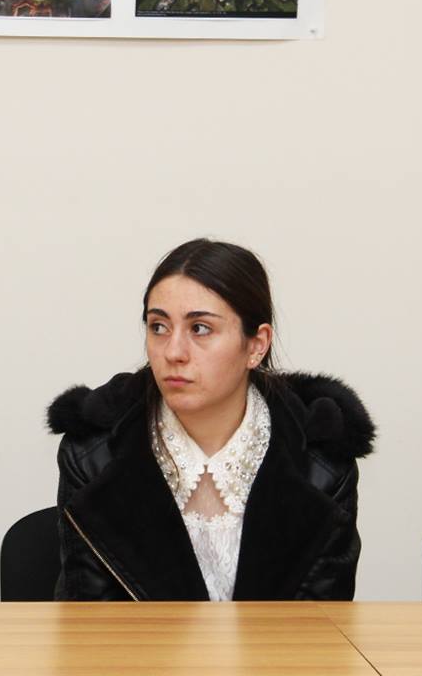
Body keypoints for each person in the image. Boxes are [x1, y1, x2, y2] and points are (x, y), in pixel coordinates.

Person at [48, 239, 375, 601]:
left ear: (256, 345)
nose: (173, 352)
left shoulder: (322, 464)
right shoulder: (94, 456)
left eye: (200, 328)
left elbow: (319, 625)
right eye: (159, 327)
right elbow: (92, 622)